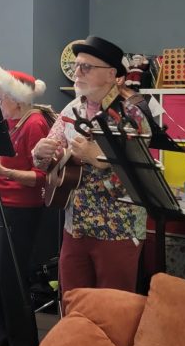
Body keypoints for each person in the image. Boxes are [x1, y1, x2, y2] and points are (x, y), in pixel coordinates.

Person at [33, 36, 148, 295]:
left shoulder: (132, 113)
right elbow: (46, 158)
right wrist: (40, 153)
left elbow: (139, 173)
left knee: (113, 308)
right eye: (77, 66)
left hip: (118, 229)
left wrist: (97, 158)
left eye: (86, 67)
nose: (77, 72)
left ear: (111, 74)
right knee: (73, 303)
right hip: (75, 226)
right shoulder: (72, 109)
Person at [0, 66, 52, 346]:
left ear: (17, 98)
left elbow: (41, 177)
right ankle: (5, 339)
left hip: (21, 208)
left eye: (1, 98)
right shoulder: (11, 123)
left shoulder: (34, 124)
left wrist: (5, 172)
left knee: (12, 278)